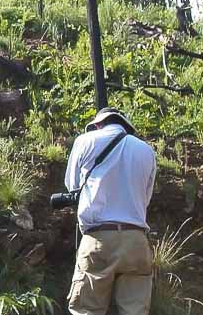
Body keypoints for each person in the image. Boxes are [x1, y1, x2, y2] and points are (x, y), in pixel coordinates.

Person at [64, 107, 157, 315]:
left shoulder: (85, 141)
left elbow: (72, 187)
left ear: (98, 125)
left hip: (98, 239)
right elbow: (146, 198)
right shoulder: (146, 150)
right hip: (136, 241)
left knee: (87, 310)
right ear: (126, 127)